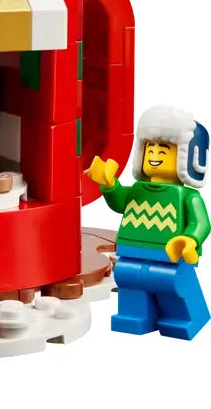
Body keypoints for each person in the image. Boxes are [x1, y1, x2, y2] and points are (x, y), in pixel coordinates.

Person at [86, 104, 210, 340]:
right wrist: (109, 185)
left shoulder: (187, 196)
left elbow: (201, 223)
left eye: (164, 150)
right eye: (150, 148)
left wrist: (190, 239)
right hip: (131, 252)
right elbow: (121, 203)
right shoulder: (138, 190)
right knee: (129, 279)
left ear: (186, 157)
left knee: (172, 284)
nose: (154, 155)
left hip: (170, 256)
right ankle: (135, 316)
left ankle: (183, 318)